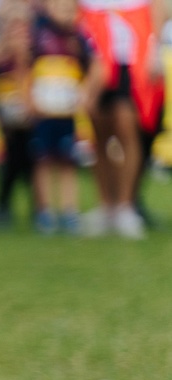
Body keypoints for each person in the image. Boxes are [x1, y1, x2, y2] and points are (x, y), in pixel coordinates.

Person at [78, 0, 165, 239]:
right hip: (95, 63)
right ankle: (106, 205)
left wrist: (154, 50)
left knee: (127, 128)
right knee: (98, 132)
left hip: (131, 64)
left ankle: (126, 206)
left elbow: (158, 12)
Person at [28, 0, 92, 234]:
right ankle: (45, 211)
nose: (64, 13)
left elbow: (91, 68)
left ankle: (69, 211)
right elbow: (26, 67)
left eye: (69, 9)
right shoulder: (38, 34)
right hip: (44, 112)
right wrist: (29, 99)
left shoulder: (79, 39)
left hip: (67, 113)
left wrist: (85, 94)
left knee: (68, 162)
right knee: (43, 161)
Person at [0, 1, 37, 228]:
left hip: (28, 116)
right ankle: (4, 205)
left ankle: (36, 206)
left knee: (28, 160)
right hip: (6, 117)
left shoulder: (32, 55)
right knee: (12, 160)